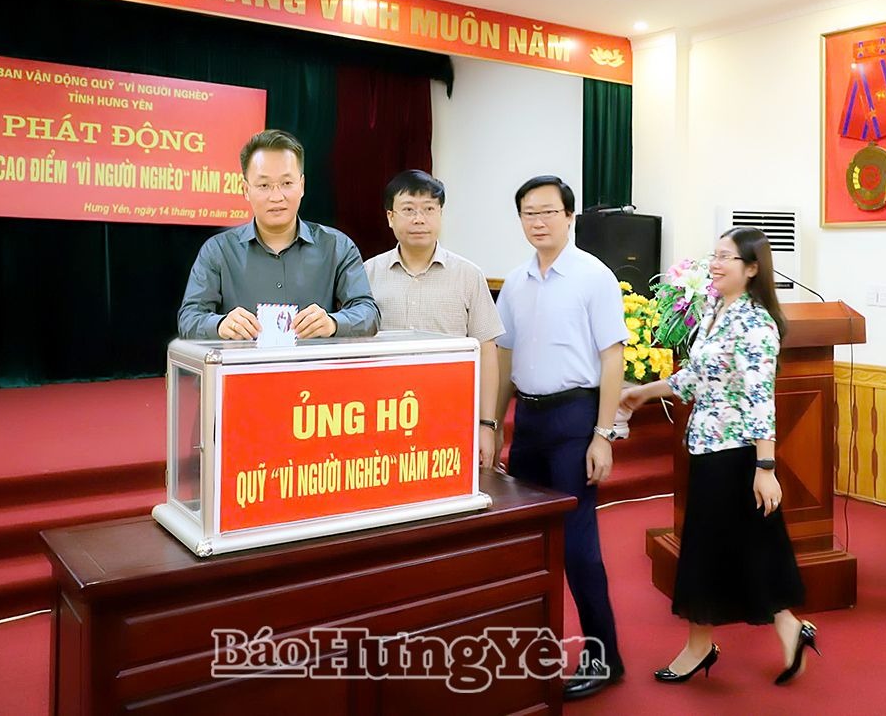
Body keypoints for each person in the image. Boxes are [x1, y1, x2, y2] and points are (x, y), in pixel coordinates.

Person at [620, 227, 817, 687]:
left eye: (726, 257)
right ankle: (789, 627)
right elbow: (695, 376)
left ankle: (699, 646)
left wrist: (765, 468)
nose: (715, 263)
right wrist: (645, 392)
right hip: (708, 446)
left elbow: (760, 399)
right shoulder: (714, 309)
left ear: (752, 269)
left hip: (736, 454)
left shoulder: (756, 324)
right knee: (751, 545)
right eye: (714, 255)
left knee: (706, 551)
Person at [493, 175, 628, 700]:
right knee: (527, 543)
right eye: (529, 213)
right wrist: (493, 426)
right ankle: (532, 652)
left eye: (549, 211)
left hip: (576, 420)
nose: (539, 222)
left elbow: (612, 358)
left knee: (578, 547)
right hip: (528, 420)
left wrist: (603, 434)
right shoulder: (515, 282)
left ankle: (604, 656)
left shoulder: (595, 276)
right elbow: (505, 359)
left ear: (570, 217)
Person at [178, 129, 380, 341]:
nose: (276, 196)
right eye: (264, 185)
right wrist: (220, 325)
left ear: (302, 186)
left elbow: (368, 313)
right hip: (242, 362)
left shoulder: (337, 246)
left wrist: (333, 323)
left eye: (287, 183)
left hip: (313, 362)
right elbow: (189, 318)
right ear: (245, 189)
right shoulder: (218, 250)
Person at [364, 170, 505, 467]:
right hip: (383, 417)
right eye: (408, 210)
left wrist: (486, 425)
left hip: (452, 415)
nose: (419, 219)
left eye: (429, 209)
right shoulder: (367, 274)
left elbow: (487, 351)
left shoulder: (468, 276)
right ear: (390, 217)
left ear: (440, 214)